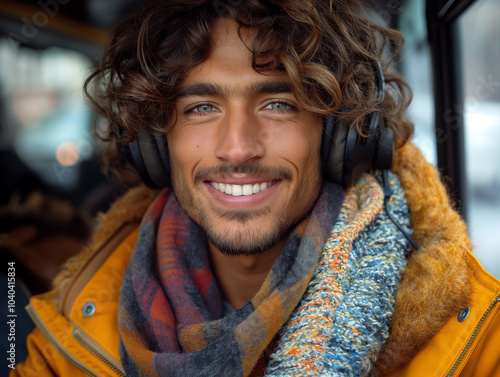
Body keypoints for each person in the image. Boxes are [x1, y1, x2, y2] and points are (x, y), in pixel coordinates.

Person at [12, 0, 500, 376]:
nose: (238, 148)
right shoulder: (66, 336)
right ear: (155, 144)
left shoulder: (480, 341)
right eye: (202, 107)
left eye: (278, 104)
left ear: (340, 136)